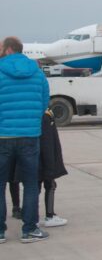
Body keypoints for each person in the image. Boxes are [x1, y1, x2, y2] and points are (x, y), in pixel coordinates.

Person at [0, 37, 50, 243]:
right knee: (30, 184)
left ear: (9, 49)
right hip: (29, 135)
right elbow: (44, 101)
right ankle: (29, 229)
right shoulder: (37, 72)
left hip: (3, 136)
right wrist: (30, 120)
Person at [38, 110, 68, 227]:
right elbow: (47, 143)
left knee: (33, 187)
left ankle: (32, 216)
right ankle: (49, 215)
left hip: (33, 156)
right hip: (45, 159)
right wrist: (51, 167)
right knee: (49, 185)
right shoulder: (46, 116)